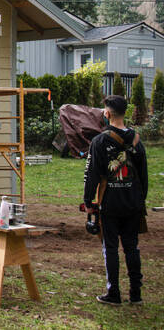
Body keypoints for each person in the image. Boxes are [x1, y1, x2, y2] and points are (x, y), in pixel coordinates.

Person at [83, 95, 148, 306]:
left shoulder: (99, 141)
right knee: (132, 247)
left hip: (109, 201)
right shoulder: (137, 140)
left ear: (108, 113)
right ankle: (136, 294)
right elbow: (143, 174)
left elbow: (92, 174)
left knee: (110, 248)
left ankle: (114, 293)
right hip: (133, 201)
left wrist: (88, 202)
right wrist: (140, 199)